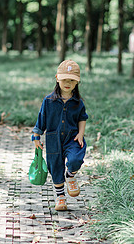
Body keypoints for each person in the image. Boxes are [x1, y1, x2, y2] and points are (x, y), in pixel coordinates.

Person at [31, 60, 88, 211]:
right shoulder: (48, 101)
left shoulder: (78, 103)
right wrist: (36, 136)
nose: (67, 83)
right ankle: (60, 197)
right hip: (53, 139)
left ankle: (70, 176)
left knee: (76, 158)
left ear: (77, 83)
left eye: (71, 80)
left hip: (73, 138)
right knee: (55, 166)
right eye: (64, 79)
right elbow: (41, 119)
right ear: (57, 78)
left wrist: (81, 134)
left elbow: (83, 118)